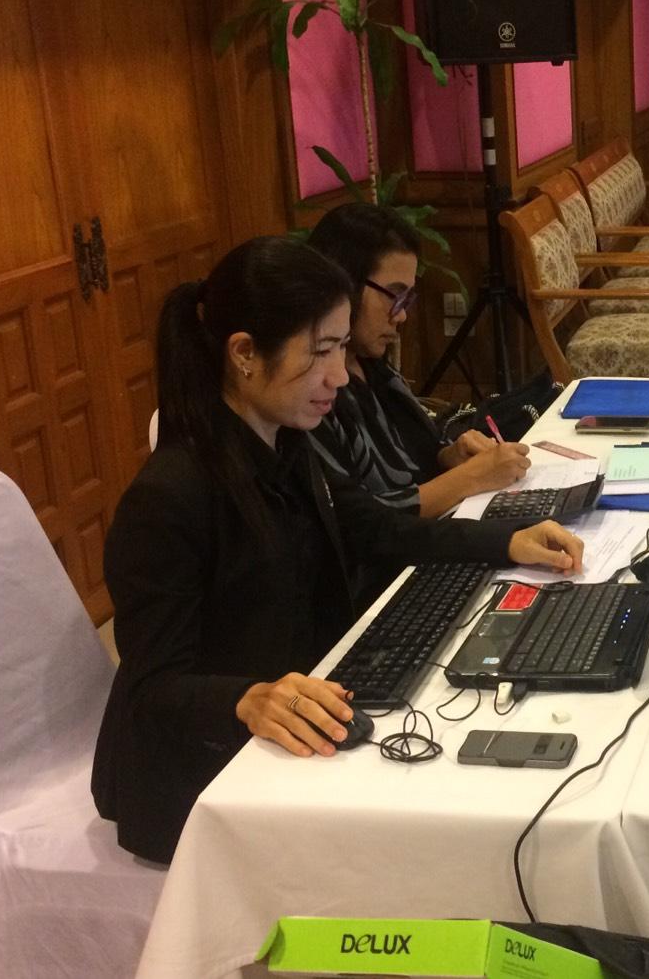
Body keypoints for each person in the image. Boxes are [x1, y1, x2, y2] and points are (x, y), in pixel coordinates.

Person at [92, 237, 584, 864]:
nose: (339, 375)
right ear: (244, 354)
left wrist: (506, 540)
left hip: (301, 721)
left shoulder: (288, 442)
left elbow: (379, 530)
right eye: (320, 351)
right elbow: (153, 687)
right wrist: (247, 697)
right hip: (206, 783)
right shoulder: (169, 497)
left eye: (341, 348)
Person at [305, 202, 530, 519]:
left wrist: (450, 456)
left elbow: (414, 453)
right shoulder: (314, 393)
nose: (402, 315)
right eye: (394, 295)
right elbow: (360, 523)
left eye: (407, 298)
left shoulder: (374, 366)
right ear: (345, 284)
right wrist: (471, 477)